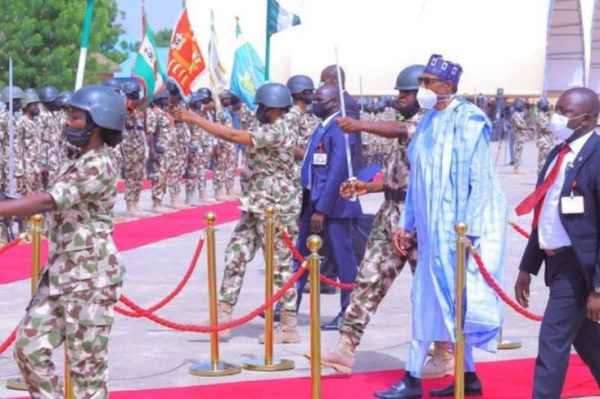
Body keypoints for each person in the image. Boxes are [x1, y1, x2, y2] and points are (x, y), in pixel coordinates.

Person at [377, 54, 507, 399]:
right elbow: (419, 180)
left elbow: (480, 182)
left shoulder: (469, 121)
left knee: (449, 305)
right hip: (432, 235)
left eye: (428, 82)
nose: (423, 89)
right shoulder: (429, 122)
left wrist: (470, 234)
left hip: (459, 236)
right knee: (431, 302)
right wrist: (408, 223)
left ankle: (415, 377)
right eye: (422, 82)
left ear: (447, 86)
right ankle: (463, 376)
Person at [314, 64, 454, 379]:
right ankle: (345, 347)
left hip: (421, 217)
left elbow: (399, 130)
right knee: (369, 278)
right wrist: (371, 186)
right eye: (400, 91)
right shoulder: (408, 121)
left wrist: (358, 124)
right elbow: (400, 174)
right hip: (390, 211)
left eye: (407, 92)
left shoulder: (432, 123)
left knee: (430, 288)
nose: (400, 97)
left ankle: (445, 352)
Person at [0, 85, 127, 398]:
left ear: (100, 124)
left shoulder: (99, 164)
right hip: (60, 274)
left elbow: (47, 202)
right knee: (28, 350)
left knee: (87, 373)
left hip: (90, 278)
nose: (68, 123)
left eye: (75, 118)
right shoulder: (76, 160)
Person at [175, 83, 301, 344]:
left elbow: (233, 137)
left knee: (280, 267)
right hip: (255, 205)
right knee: (236, 255)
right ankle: (222, 318)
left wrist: (195, 119)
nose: (259, 110)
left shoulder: (280, 129)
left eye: (262, 107)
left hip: (277, 207)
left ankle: (288, 326)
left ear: (273, 108)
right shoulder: (267, 127)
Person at [514, 87, 600, 399]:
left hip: (579, 268)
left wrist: (598, 288)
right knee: (587, 339)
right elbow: (544, 214)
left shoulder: (597, 157)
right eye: (557, 108)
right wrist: (527, 267)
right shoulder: (557, 153)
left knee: (552, 341)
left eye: (564, 111)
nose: (556, 116)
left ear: (587, 118)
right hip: (555, 262)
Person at [295, 83, 363, 329]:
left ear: (334, 102)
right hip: (311, 203)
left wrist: (322, 210)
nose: (314, 103)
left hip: (334, 207)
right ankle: (289, 309)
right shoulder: (323, 127)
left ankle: (348, 312)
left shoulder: (341, 128)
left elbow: (337, 171)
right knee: (299, 256)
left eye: (319, 99)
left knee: (343, 261)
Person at [121, 79, 148, 216]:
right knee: (131, 176)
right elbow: (135, 104)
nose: (136, 96)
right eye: (134, 93)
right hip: (130, 147)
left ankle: (136, 203)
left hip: (139, 146)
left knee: (138, 176)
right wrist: (147, 92)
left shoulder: (136, 110)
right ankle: (130, 204)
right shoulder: (125, 104)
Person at [16, 89, 44, 195]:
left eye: (37, 104)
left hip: (37, 166)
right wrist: (20, 170)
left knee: (37, 192)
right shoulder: (21, 123)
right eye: (33, 105)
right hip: (27, 167)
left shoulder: (37, 122)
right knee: (28, 194)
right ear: (26, 106)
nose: (37, 107)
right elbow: (17, 147)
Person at [535, 98, 553, 175]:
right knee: (542, 160)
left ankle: (544, 176)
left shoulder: (546, 115)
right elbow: (544, 129)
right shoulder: (540, 116)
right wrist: (554, 130)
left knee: (547, 160)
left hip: (548, 141)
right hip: (543, 141)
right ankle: (540, 176)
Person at [511, 98, 528, 174]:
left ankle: (517, 166)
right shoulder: (516, 115)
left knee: (519, 152)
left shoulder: (519, 115)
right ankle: (516, 167)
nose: (523, 108)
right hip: (519, 136)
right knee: (518, 152)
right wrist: (527, 127)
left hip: (521, 136)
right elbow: (519, 125)